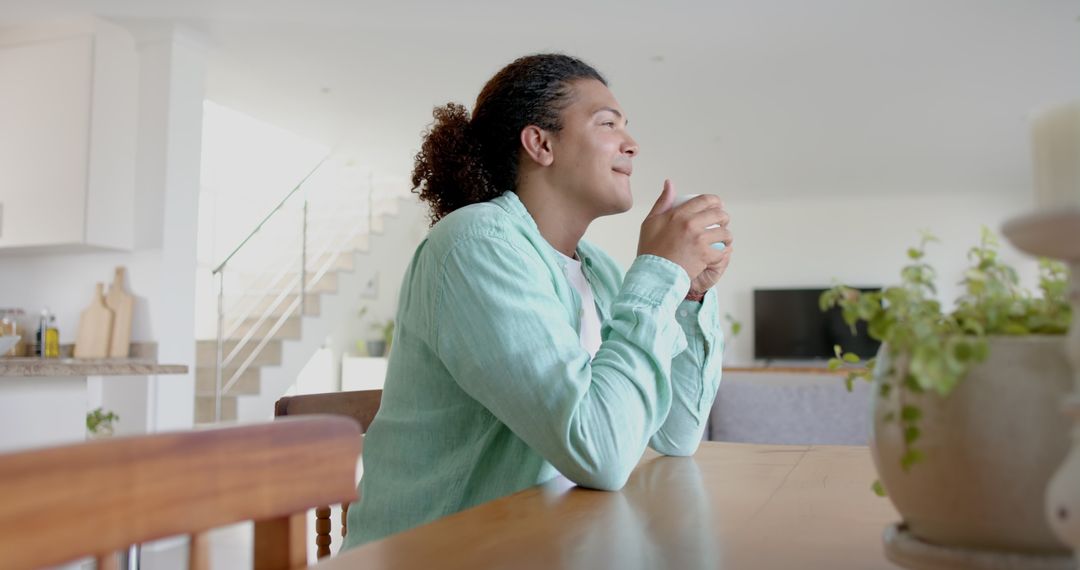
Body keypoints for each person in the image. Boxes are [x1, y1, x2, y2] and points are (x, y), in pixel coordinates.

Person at [341, 53, 733, 549]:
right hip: (440, 556)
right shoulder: (474, 245)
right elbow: (603, 454)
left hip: (542, 543)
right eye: (608, 123)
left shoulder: (601, 273)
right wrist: (660, 273)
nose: (632, 144)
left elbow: (677, 435)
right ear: (541, 143)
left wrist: (688, 293)